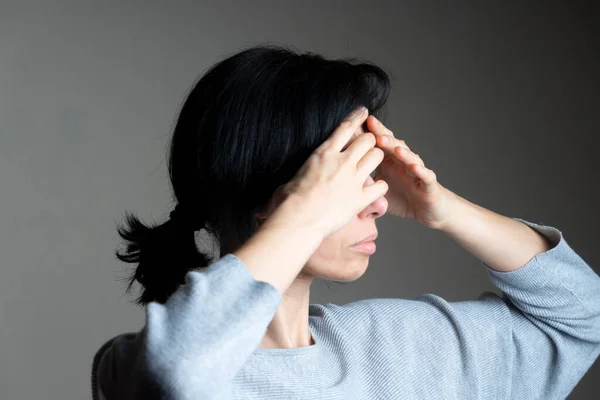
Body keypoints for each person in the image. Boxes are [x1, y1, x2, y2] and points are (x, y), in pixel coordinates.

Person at [91, 44, 600, 400]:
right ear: (273, 195)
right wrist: (304, 215)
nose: (377, 202)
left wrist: (441, 207)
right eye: (347, 174)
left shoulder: (402, 347)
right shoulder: (131, 368)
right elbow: (177, 372)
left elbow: (582, 315)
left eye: (370, 169)